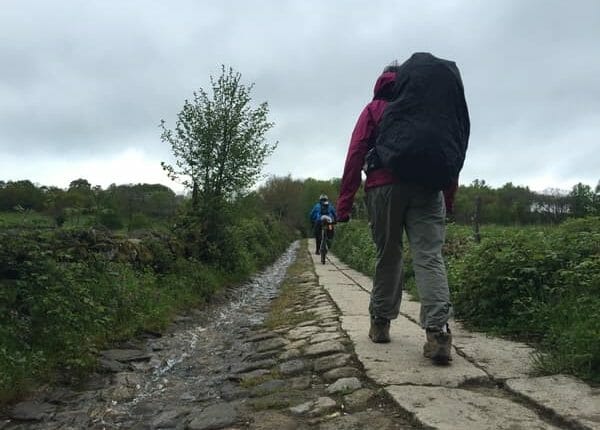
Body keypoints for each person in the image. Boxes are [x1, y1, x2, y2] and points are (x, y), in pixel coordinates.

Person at [336, 61, 464, 365]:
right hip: (428, 185)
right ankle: (438, 332)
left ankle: (380, 324)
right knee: (429, 256)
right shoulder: (430, 108)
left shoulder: (375, 108)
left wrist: (344, 204)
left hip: (383, 186)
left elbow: (355, 153)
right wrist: (448, 197)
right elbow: (451, 151)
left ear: (382, 79)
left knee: (388, 254)